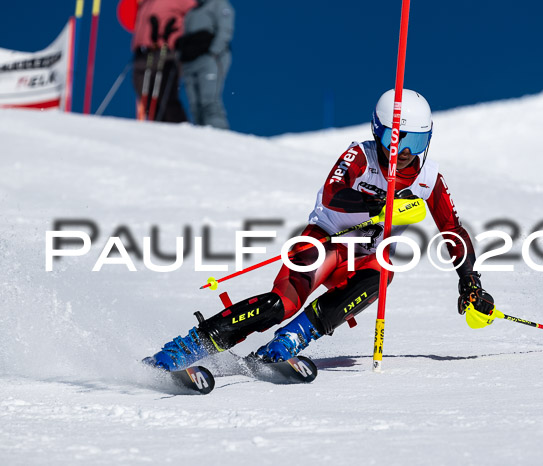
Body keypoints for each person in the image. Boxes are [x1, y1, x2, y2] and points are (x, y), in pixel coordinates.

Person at [143, 89, 496, 371]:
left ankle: (292, 339)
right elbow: (334, 193)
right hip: (324, 242)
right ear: (378, 132)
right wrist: (381, 207)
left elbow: (453, 231)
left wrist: (470, 280)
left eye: (414, 144)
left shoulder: (428, 179)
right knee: (282, 302)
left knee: (382, 273)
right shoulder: (361, 155)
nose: (402, 153)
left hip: (365, 259)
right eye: (394, 139)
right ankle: (192, 345)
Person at [131, 0, 196, 122]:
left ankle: (181, 131)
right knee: (147, 98)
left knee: (165, 96)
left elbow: (196, 13)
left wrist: (180, 36)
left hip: (167, 51)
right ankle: (160, 132)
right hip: (144, 51)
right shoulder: (145, 2)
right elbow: (130, 17)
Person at [176, 0, 234, 129]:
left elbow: (225, 29)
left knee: (209, 102)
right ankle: (203, 139)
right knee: (195, 106)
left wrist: (213, 52)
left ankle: (219, 136)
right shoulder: (191, 12)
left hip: (210, 59)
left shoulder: (218, 5)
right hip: (190, 63)